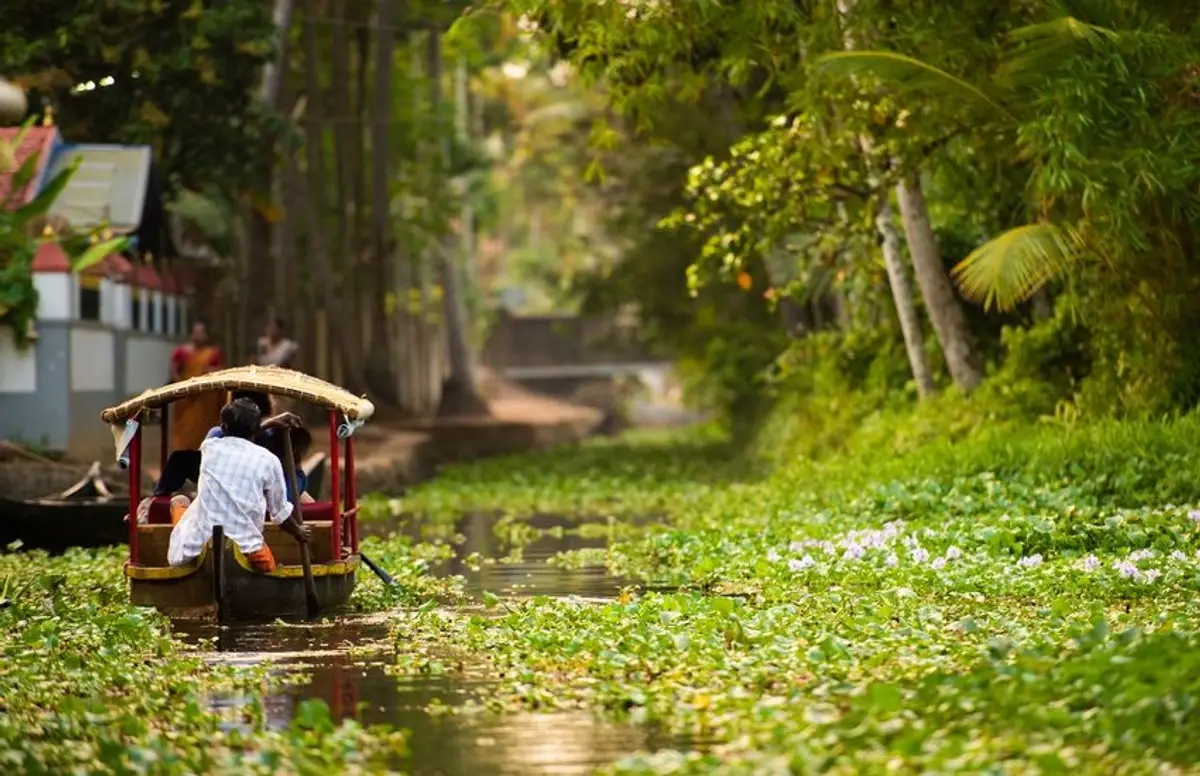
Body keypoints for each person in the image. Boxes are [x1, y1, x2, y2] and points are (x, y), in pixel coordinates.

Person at [168, 398, 311, 572]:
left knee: (180, 503)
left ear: (223, 426)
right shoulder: (269, 460)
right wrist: (298, 532)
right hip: (248, 548)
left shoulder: (209, 446)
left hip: (194, 545)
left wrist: (269, 423)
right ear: (256, 429)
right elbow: (280, 515)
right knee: (269, 567)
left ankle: (179, 504)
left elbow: (220, 434)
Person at [169, 321, 224, 451]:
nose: (199, 335)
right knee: (185, 431)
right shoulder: (181, 352)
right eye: (197, 332)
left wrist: (208, 370)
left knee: (205, 429)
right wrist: (182, 387)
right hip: (186, 398)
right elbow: (174, 371)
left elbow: (220, 370)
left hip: (206, 400)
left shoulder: (213, 353)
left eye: (202, 332)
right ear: (191, 334)